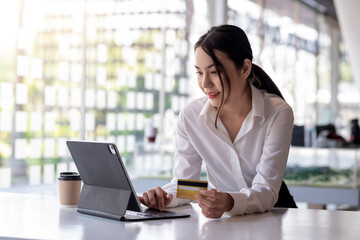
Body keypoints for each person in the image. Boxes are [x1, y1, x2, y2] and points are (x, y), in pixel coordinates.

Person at [138, 24, 296, 218]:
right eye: (199, 72)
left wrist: (230, 201)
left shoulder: (278, 113)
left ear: (245, 68)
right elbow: (187, 183)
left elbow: (266, 190)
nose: (205, 84)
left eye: (215, 72)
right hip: (223, 220)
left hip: (273, 214)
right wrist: (166, 196)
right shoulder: (191, 116)